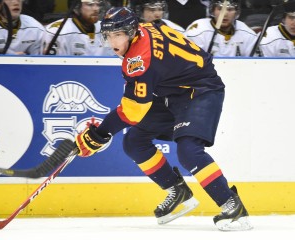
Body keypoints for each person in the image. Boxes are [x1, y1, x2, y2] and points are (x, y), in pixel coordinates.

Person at [74, 6, 253, 231]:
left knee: (188, 151)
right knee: (134, 141)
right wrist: (102, 132)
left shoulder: (139, 58)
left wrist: (100, 133)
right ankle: (178, 192)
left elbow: (132, 111)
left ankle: (232, 206)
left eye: (118, 35)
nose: (113, 43)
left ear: (131, 32)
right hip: (171, 90)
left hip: (200, 89)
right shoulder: (144, 29)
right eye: (109, 35)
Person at [185, 0, 258, 56]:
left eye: (230, 9)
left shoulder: (247, 33)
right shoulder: (198, 31)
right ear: (213, 11)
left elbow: (255, 64)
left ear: (236, 12)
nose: (225, 14)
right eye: (220, 9)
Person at [42, 0, 114, 56]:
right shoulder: (56, 32)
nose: (96, 9)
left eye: (98, 4)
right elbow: (52, 69)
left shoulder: (107, 30)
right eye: (90, 4)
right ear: (76, 8)